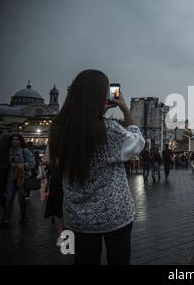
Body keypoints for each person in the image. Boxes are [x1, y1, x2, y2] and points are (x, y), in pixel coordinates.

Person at [49, 70, 145, 265]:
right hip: (115, 214)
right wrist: (125, 109)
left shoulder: (58, 129)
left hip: (79, 218)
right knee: (118, 260)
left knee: (84, 260)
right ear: (99, 96)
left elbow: (51, 159)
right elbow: (138, 142)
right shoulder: (108, 129)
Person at [0, 134, 35, 227]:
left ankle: (23, 217)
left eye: (16, 139)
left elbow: (32, 163)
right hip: (11, 178)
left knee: (21, 200)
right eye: (12, 140)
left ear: (20, 141)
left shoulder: (25, 151)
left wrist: (20, 165)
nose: (14, 141)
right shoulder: (10, 151)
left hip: (23, 179)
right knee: (8, 199)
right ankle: (6, 220)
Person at [42, 145, 64, 247]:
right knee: (57, 208)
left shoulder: (77, 140)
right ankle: (60, 236)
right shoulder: (53, 144)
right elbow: (45, 161)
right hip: (58, 177)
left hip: (74, 178)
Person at [0, 119, 10, 227]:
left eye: (3, 124)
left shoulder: (7, 138)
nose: (1, 126)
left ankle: (7, 210)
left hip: (2, 170)